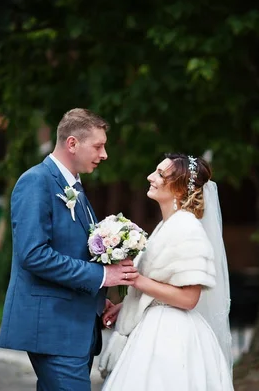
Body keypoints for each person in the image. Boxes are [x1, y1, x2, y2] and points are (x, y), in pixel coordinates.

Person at [0, 108, 139, 391]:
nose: (104, 155)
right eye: (98, 146)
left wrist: (97, 303)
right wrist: (102, 276)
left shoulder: (75, 187)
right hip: (53, 328)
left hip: (76, 325)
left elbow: (74, 250)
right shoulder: (36, 181)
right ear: (72, 143)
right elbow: (33, 255)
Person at [98, 153, 234, 391]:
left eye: (160, 174)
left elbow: (189, 298)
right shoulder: (167, 226)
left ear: (180, 189)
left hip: (171, 336)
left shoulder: (188, 229)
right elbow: (162, 286)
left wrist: (137, 280)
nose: (151, 177)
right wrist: (128, 305)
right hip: (152, 325)